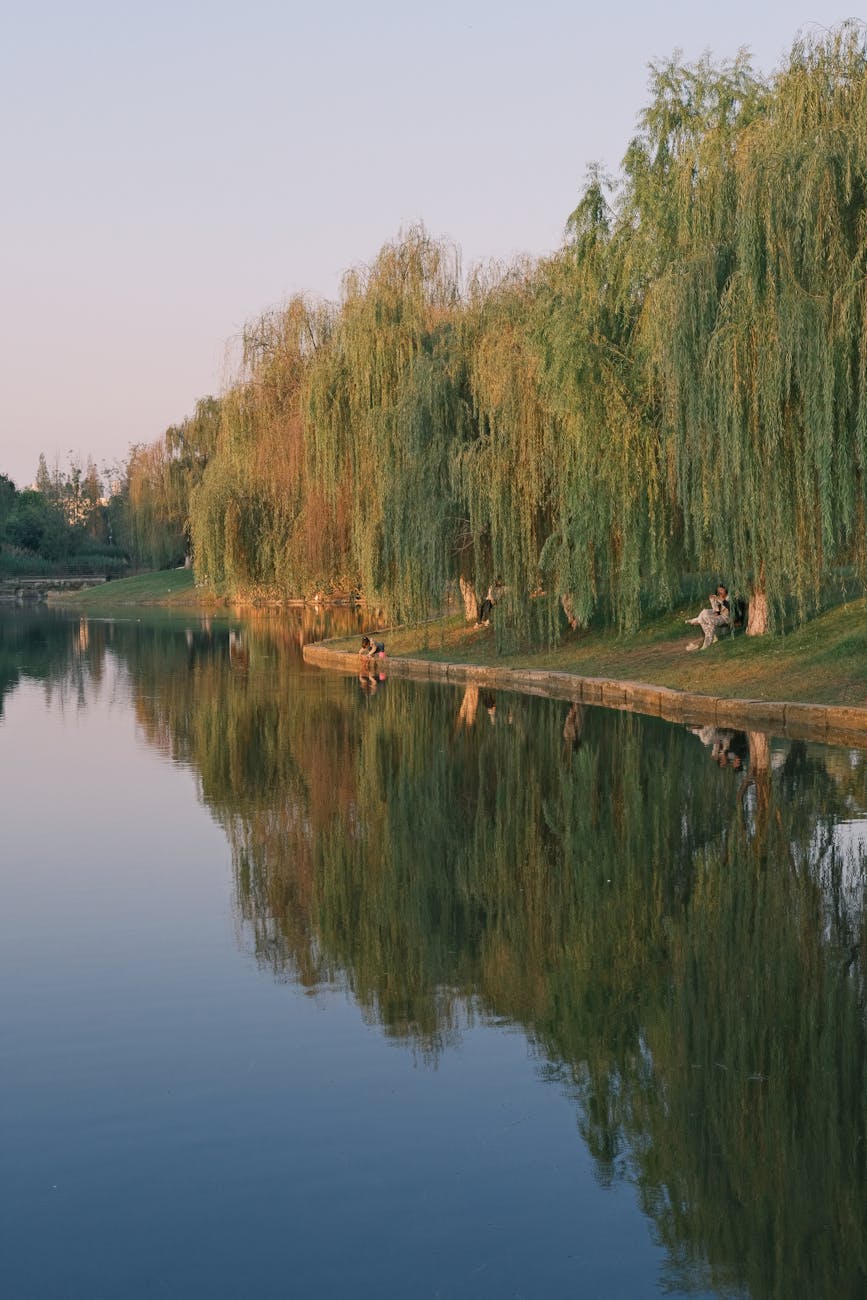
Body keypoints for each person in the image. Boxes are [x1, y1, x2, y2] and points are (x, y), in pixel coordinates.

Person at [685, 584, 731, 651]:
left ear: (725, 589)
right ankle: (708, 638)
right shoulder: (719, 597)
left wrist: (722, 600)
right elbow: (717, 611)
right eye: (718, 591)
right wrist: (713, 601)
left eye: (721, 590)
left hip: (726, 618)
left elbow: (731, 608)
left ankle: (707, 639)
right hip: (720, 615)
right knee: (704, 612)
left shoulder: (730, 597)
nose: (720, 592)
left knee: (707, 619)